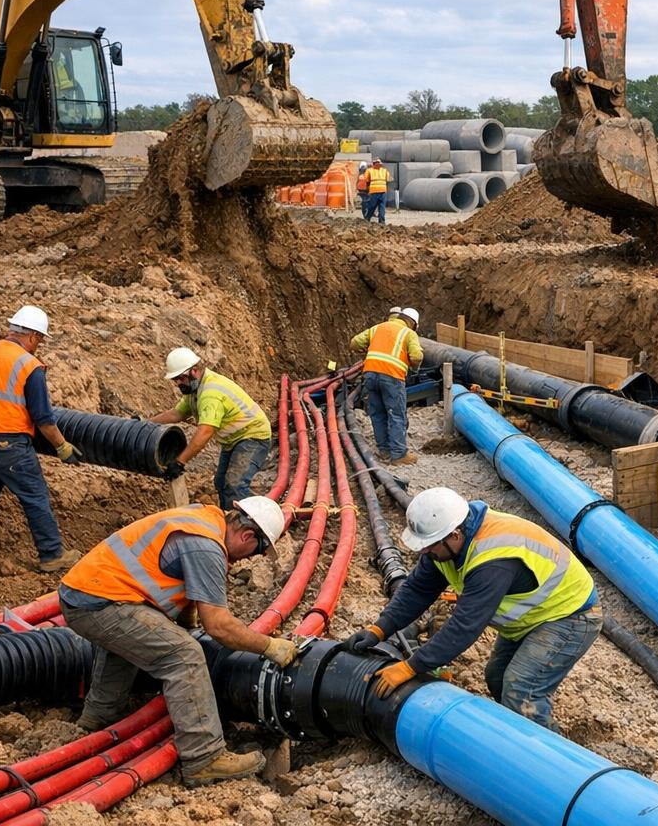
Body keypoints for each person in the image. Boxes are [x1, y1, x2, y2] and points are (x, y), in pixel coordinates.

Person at [60, 496, 297, 788]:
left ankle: (97, 718)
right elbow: (219, 626)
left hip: (90, 592)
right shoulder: (207, 547)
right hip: (101, 602)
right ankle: (204, 758)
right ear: (247, 535)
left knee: (131, 640)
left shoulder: (203, 518)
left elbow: (180, 577)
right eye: (257, 551)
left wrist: (186, 623)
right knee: (183, 655)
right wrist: (270, 646)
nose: (249, 558)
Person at [345, 487, 600, 731]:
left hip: (570, 615)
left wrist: (411, 667)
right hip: (534, 615)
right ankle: (519, 737)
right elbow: (417, 589)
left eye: (429, 545)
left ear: (454, 535)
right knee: (497, 677)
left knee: (521, 689)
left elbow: (464, 627)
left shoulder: (493, 560)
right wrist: (379, 629)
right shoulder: (446, 546)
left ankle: (550, 762)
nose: (425, 551)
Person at [0, 305, 81, 574]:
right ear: (33, 337)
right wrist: (62, 446)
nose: (39, 346)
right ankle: (51, 554)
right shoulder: (29, 365)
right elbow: (43, 418)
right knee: (34, 496)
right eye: (40, 340)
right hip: (7, 442)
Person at [147, 348, 272, 511]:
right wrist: (146, 423)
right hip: (234, 440)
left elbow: (205, 432)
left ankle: (244, 525)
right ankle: (227, 517)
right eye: (175, 379)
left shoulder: (210, 393)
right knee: (220, 482)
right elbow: (176, 414)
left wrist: (180, 461)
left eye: (181, 378)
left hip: (253, 437)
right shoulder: (194, 390)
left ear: (195, 371)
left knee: (234, 484)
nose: (178, 383)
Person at [350, 306, 422, 465]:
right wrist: (411, 365)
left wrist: (369, 353)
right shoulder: (409, 333)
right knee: (396, 415)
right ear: (412, 323)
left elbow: (354, 343)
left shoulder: (378, 328)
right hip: (392, 376)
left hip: (370, 374)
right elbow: (417, 356)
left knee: (377, 413)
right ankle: (398, 455)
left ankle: (384, 451)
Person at [364, 157, 391, 224]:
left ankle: (367, 219)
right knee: (382, 207)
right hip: (383, 191)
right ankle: (382, 222)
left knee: (372, 206)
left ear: (373, 163)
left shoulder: (369, 170)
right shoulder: (385, 170)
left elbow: (366, 180)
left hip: (374, 191)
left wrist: (367, 189)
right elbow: (388, 179)